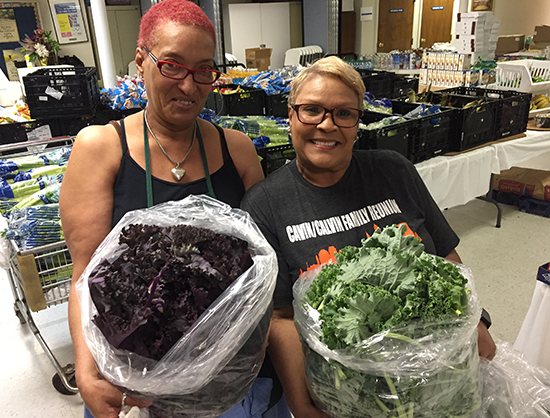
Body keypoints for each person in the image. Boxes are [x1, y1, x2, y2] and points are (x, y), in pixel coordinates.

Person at [241, 56, 497, 418]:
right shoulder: (265, 204)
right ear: (292, 114)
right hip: (345, 389)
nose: (327, 125)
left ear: (358, 120)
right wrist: (301, 401)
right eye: (312, 110)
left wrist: (477, 321)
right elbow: (281, 317)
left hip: (437, 375)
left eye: (344, 113)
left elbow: (444, 256)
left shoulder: (393, 170)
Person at [59, 1, 280, 417]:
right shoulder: (101, 148)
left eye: (203, 70)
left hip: (226, 378)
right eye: (172, 66)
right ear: (141, 62)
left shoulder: (237, 150)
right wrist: (88, 374)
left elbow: (260, 267)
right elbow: (84, 275)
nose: (189, 85)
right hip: (135, 384)